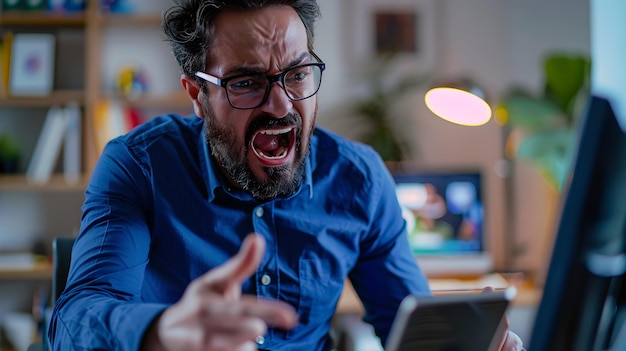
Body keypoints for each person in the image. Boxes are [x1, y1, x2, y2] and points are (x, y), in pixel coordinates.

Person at [48, 1, 524, 350]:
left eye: (297, 75)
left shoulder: (359, 180)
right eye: (247, 83)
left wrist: (468, 345)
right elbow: (73, 323)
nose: (281, 105)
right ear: (196, 94)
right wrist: (162, 332)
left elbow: (414, 333)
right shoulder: (139, 166)